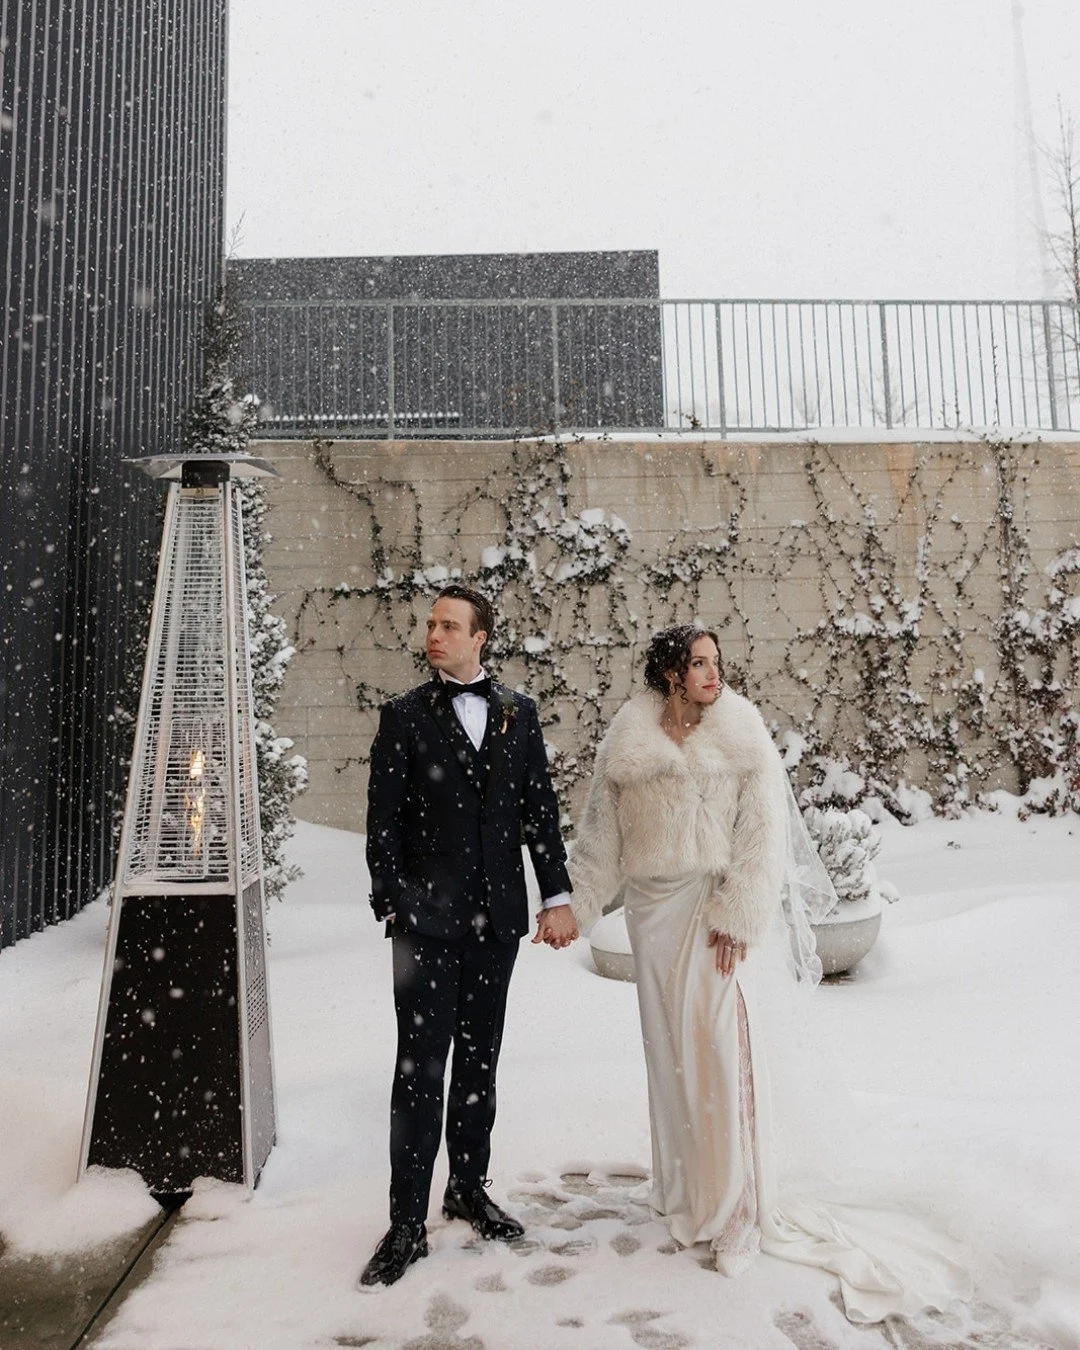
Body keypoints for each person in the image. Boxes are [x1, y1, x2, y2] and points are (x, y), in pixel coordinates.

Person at [568, 623, 970, 1322]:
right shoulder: (627, 738)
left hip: (714, 915)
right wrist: (570, 908)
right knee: (671, 1059)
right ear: (669, 673)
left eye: (716, 663)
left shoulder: (742, 731)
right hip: (653, 917)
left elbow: (764, 836)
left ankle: (737, 1213)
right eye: (698, 664)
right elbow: (601, 838)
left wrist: (739, 914)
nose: (712, 675)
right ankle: (687, 1192)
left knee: (724, 1057)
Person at [360, 583, 580, 1288]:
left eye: (450, 625)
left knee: (480, 1062)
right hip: (426, 924)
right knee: (420, 1070)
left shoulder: (520, 714)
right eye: (431, 625)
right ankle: (404, 1223)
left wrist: (557, 895)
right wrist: (395, 902)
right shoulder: (404, 718)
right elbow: (382, 823)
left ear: (481, 636)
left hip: (498, 923)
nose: (436, 634)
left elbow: (539, 813)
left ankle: (467, 1188)